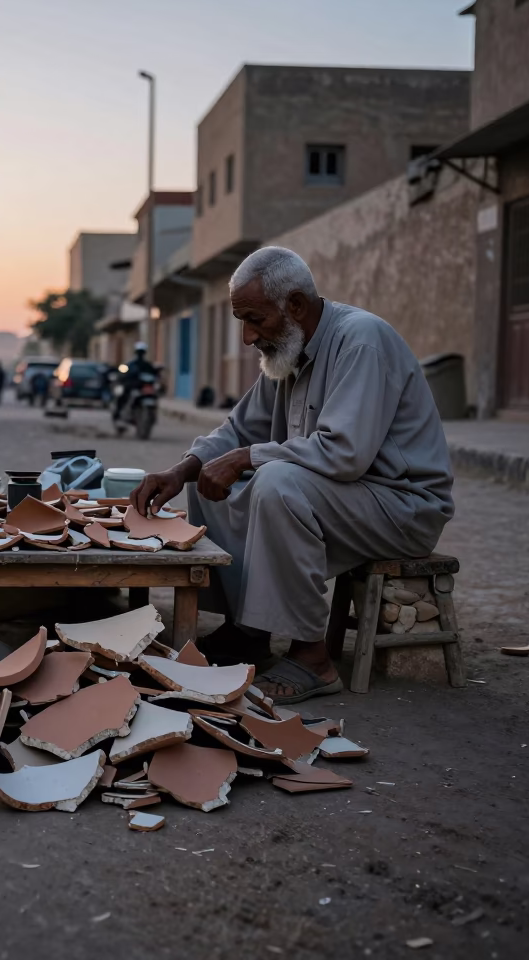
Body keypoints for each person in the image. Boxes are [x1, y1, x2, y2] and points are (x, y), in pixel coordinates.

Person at [131, 247, 454, 704]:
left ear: (296, 306)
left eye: (255, 320)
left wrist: (246, 458)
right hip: (346, 497)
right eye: (242, 321)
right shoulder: (290, 349)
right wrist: (181, 470)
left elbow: (344, 454)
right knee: (209, 481)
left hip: (402, 507)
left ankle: (312, 659)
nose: (247, 337)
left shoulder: (360, 341)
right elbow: (240, 428)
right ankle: (248, 630)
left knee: (276, 483)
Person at [112, 342, 158, 421]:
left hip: (143, 386)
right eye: (139, 352)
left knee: (155, 395)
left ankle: (151, 416)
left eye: (142, 352)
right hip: (132, 385)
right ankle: (118, 414)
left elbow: (154, 374)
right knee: (122, 395)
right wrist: (122, 375)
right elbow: (122, 372)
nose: (140, 354)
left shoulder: (147, 365)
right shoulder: (131, 364)